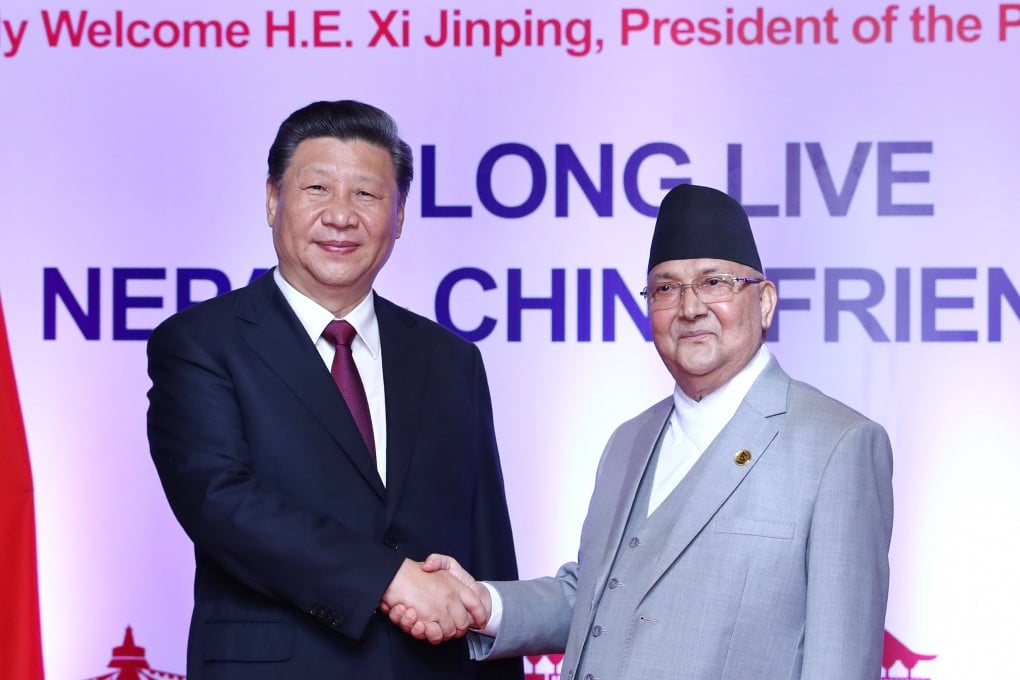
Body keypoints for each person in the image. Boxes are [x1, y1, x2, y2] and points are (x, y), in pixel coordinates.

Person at [395, 184, 894, 679]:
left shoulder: (836, 446)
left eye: (715, 282)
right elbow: (595, 598)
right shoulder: (628, 441)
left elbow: (841, 662)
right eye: (666, 288)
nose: (690, 307)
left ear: (763, 302)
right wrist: (485, 602)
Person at [146, 100, 523, 679]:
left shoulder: (450, 361)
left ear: (399, 216)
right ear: (273, 199)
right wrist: (387, 578)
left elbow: (486, 545)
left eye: (367, 195)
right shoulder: (201, 344)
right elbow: (220, 502)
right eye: (317, 188)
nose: (341, 216)